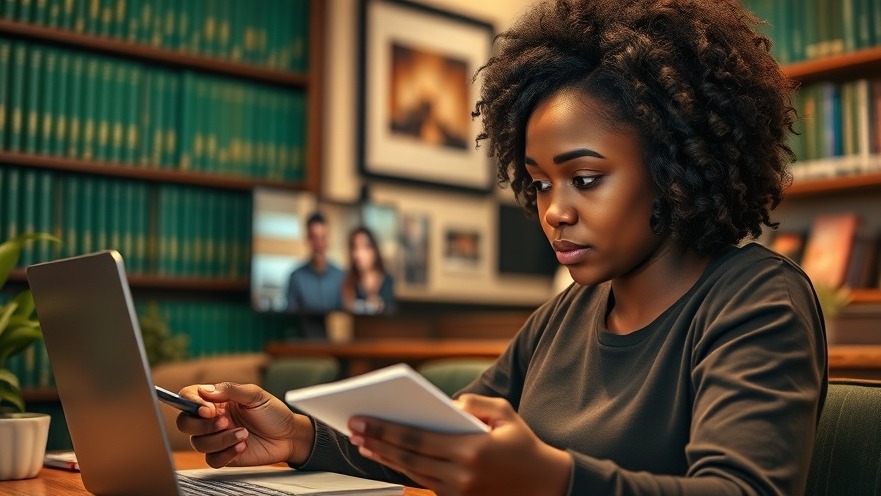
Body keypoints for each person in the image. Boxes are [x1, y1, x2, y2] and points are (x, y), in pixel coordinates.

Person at [175, 1, 827, 494]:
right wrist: (297, 437)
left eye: (585, 178)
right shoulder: (561, 318)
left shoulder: (756, 300)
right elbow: (439, 442)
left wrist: (552, 479)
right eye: (540, 184)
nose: (554, 210)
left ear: (675, 164)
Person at [286, 212, 344, 314]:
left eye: (323, 237)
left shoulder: (341, 277)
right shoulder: (296, 277)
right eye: (314, 237)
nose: (319, 243)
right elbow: (291, 316)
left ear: (328, 239)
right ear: (307, 239)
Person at [341, 226, 396, 315]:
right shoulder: (349, 282)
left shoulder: (390, 282)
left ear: (374, 250)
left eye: (364, 247)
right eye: (355, 248)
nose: (358, 254)